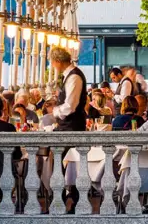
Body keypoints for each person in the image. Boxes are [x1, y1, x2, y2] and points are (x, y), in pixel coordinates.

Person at [50, 46, 88, 213]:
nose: (52, 65)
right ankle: (64, 198)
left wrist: (55, 111)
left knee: (60, 162)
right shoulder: (70, 76)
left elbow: (70, 106)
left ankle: (67, 199)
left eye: (52, 62)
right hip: (68, 127)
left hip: (71, 127)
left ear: (57, 62)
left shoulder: (74, 77)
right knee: (60, 162)